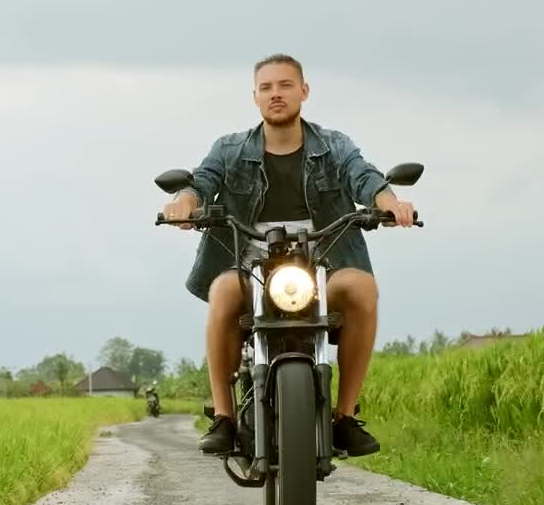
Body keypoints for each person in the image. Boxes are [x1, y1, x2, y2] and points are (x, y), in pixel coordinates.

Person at [159, 54, 417, 457]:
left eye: (284, 85)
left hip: (323, 262)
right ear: (255, 97)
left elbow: (363, 175)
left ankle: (345, 416)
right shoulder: (229, 149)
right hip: (250, 265)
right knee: (223, 291)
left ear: (304, 91)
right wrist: (184, 203)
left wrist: (390, 202)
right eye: (266, 87)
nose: (275, 94)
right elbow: (202, 180)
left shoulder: (333, 146)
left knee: (363, 287)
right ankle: (224, 418)